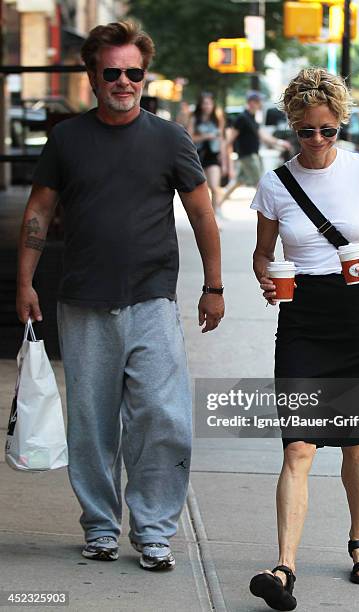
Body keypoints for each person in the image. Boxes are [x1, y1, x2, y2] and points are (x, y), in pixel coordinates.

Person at [16, 20, 224, 572]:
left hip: (152, 300)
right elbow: (37, 213)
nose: (125, 81)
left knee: (163, 416)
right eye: (114, 72)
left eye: (135, 72)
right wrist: (24, 281)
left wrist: (214, 286)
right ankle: (101, 527)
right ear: (92, 75)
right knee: (91, 422)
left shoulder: (169, 138)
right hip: (83, 302)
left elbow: (203, 212)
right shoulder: (67, 139)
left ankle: (154, 530)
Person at [249, 67, 359, 611]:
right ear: (291, 127)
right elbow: (263, 254)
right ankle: (284, 567)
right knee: (298, 443)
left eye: (326, 130)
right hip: (301, 318)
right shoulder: (275, 183)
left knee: (353, 438)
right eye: (304, 131)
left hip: (355, 313)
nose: (316, 141)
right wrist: (266, 279)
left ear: (341, 124)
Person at [220, 92, 291, 204]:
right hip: (247, 155)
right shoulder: (242, 118)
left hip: (250, 155)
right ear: (252, 103)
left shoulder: (251, 117)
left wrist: (279, 142)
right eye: (259, 101)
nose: (261, 104)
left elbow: (262, 135)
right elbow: (230, 139)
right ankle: (271, 207)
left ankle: (217, 206)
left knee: (237, 182)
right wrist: (224, 159)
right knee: (260, 183)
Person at [188, 92, 226, 220]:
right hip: (198, 156)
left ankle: (214, 218)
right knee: (201, 189)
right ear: (200, 105)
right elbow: (189, 137)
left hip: (213, 156)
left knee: (215, 188)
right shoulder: (194, 118)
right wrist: (206, 136)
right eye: (204, 103)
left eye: (209, 103)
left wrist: (224, 160)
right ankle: (203, 216)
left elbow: (221, 139)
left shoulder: (217, 118)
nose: (207, 106)